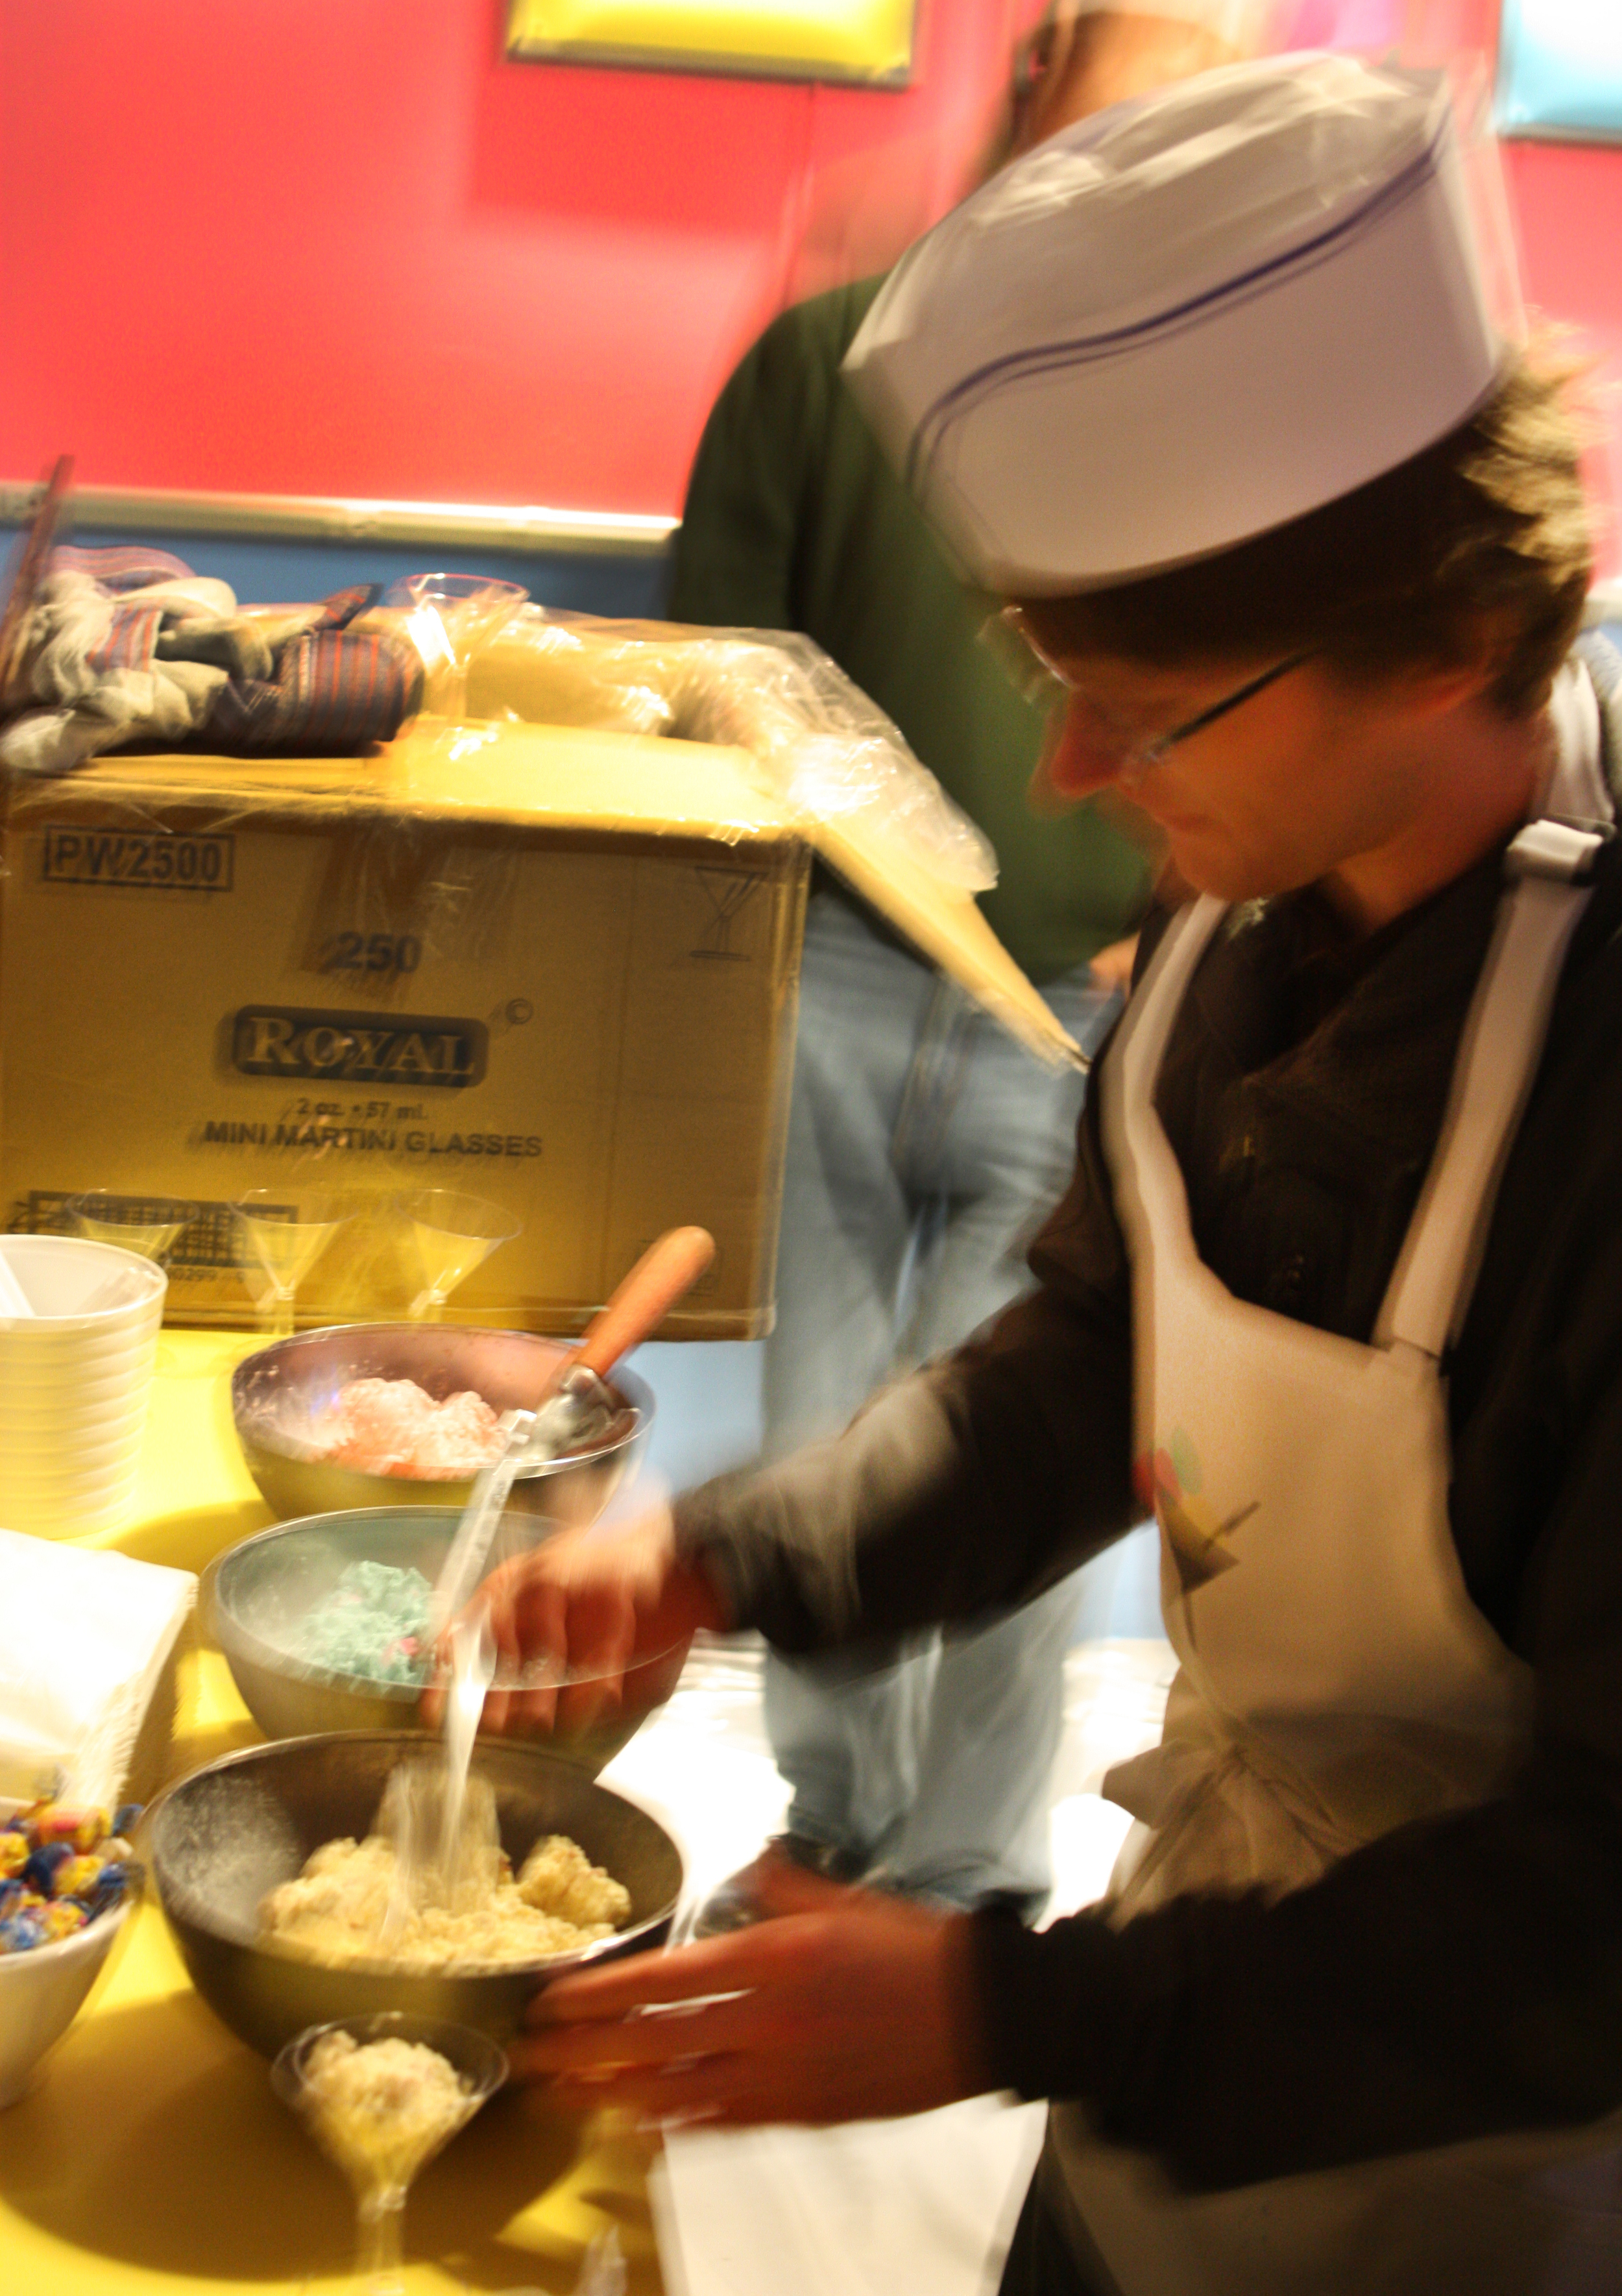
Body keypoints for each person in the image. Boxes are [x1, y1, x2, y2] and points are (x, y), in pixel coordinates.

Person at [467, 52, 1622, 2296]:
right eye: (1046, 673)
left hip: (1491, 2149)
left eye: (1152, 706)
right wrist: (720, 1561)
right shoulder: (1236, 914)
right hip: (1195, 2008)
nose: (1072, 771)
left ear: (1463, 637)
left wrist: (1006, 2005)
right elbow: (1095, 1366)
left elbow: (1595, 1906)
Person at [662, 1, 1248, 1919]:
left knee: (1017, 1441)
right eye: (1119, 116)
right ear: (1027, 95)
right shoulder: (824, 364)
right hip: (818, 980)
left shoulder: (1209, 416)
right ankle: (830, 1833)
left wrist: (1155, 941)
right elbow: (718, 675)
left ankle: (975, 1872)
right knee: (831, 1437)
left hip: (1072, 1024)